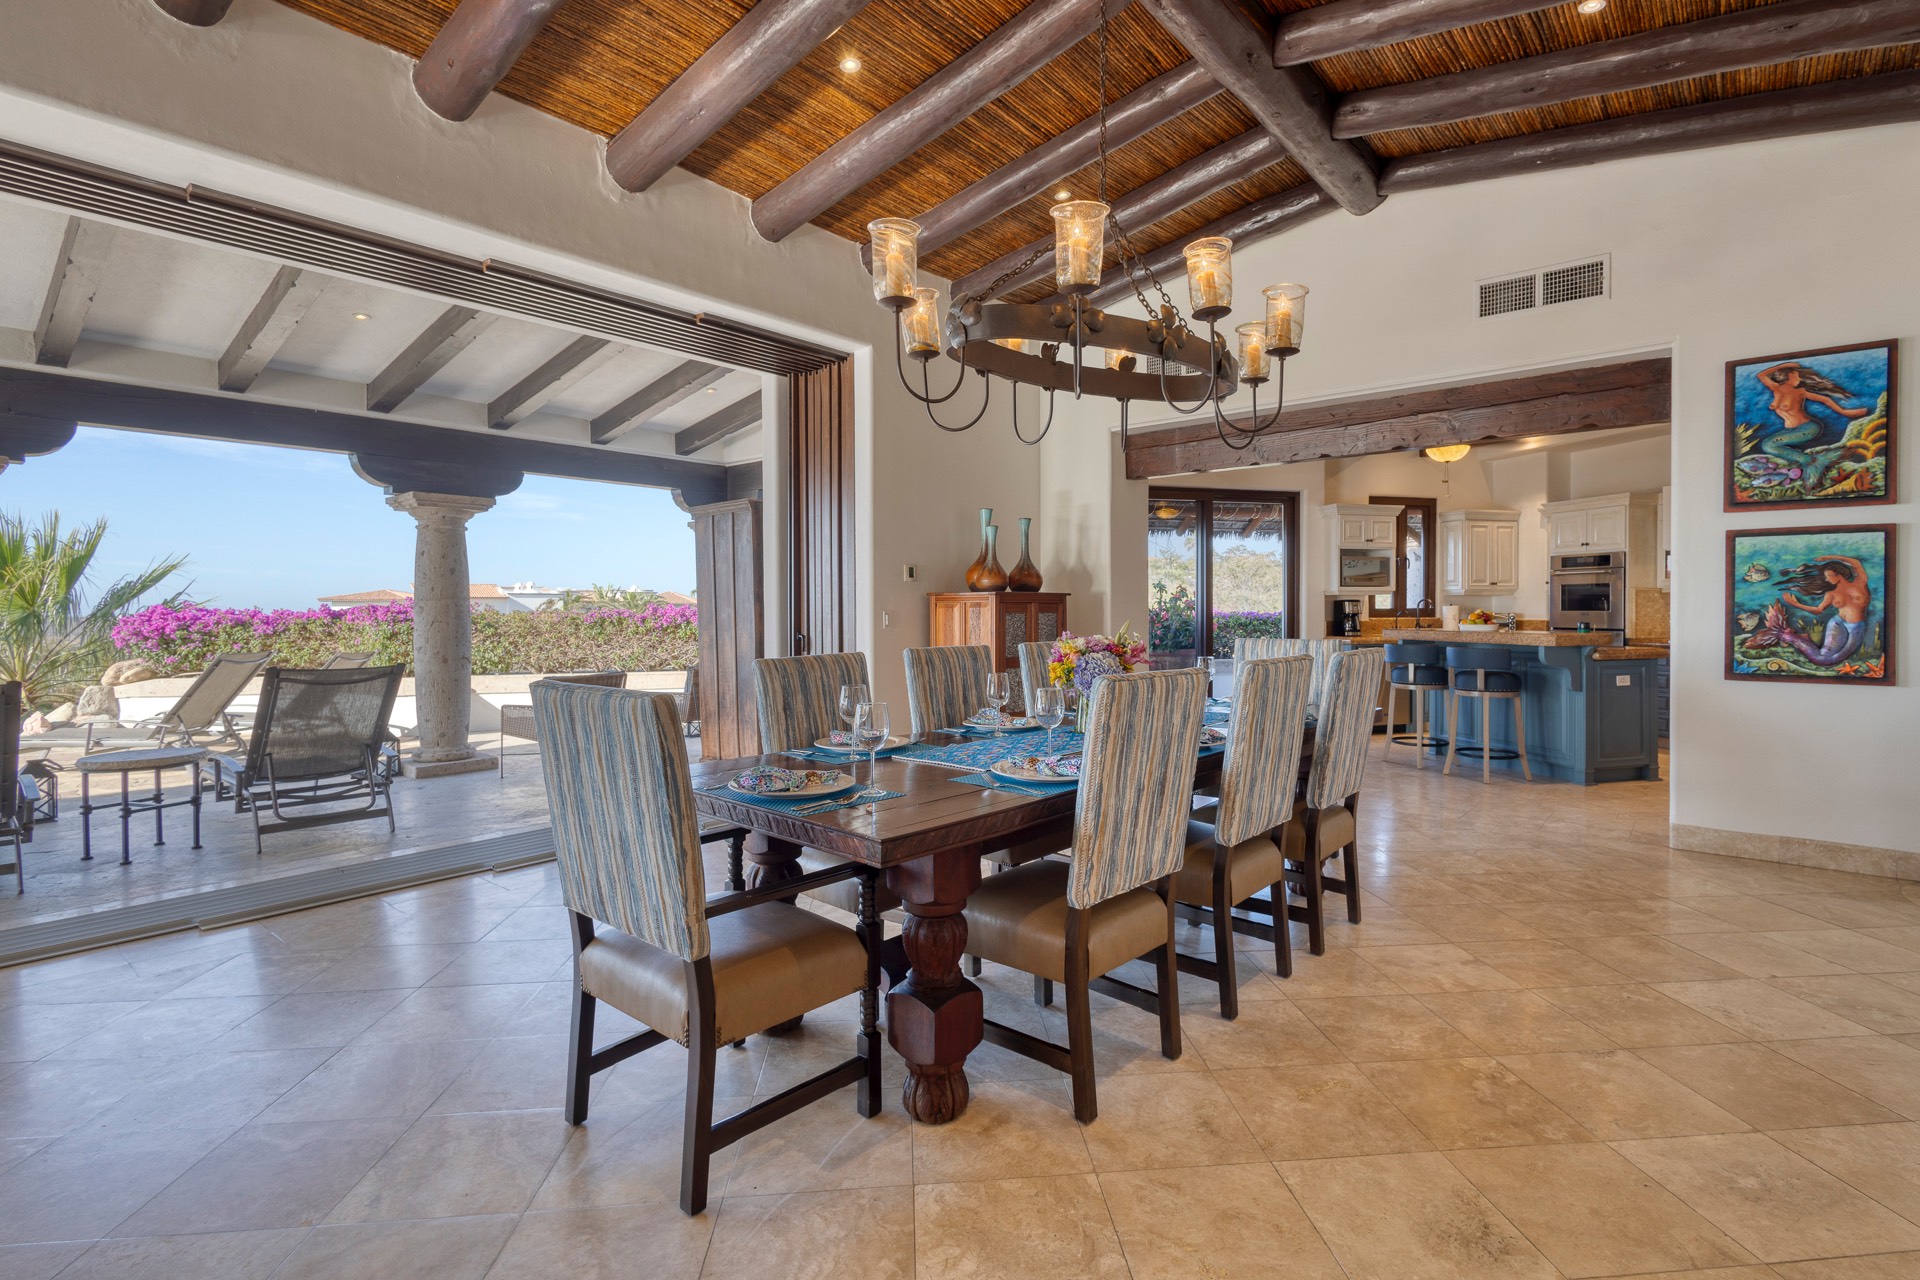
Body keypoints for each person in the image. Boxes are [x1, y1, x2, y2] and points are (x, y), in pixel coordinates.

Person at [1752, 361, 1872, 491]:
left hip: (1808, 428)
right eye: (1795, 376)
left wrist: (1845, 412)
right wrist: (1784, 365)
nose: (1799, 379)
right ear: (1786, 378)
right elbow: (1761, 375)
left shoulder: (1800, 391)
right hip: (1792, 430)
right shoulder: (1775, 388)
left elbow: (1825, 399)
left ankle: (1809, 461)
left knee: (1768, 445)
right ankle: (1813, 461)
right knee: (1767, 444)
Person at [1752, 555, 1872, 667]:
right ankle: (1790, 637)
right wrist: (1795, 604)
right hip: (1837, 622)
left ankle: (1797, 638)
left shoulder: (1860, 583)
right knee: (1822, 659)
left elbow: (1856, 563)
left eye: (1829, 576)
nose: (1827, 579)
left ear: (1838, 574)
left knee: (1830, 661)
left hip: (1856, 627)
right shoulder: (1831, 593)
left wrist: (1829, 557)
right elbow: (1818, 610)